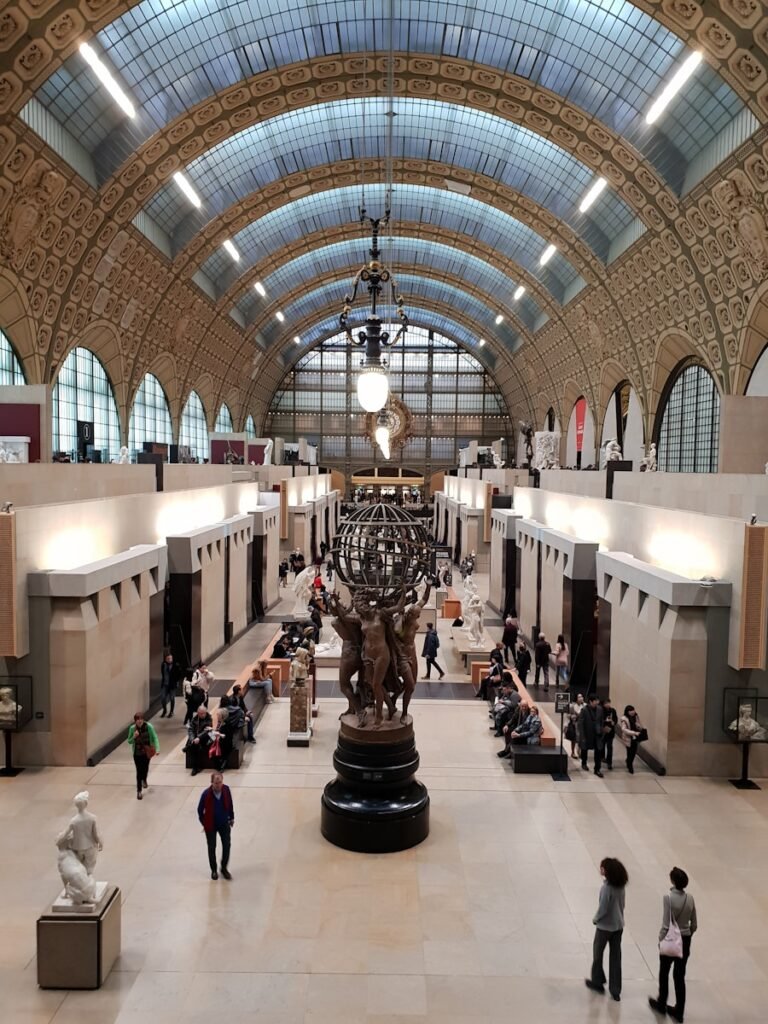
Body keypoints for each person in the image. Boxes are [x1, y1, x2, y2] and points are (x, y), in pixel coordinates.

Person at [649, 867, 698, 1023]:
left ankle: (661, 1003)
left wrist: (660, 940)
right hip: (685, 940)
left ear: (673, 881)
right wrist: (686, 933)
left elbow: (666, 924)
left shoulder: (668, 898)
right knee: (679, 975)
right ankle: (679, 1010)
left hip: (670, 940)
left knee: (664, 972)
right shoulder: (690, 898)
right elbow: (694, 924)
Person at [585, 857, 628, 1002]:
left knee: (598, 954)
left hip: (604, 927)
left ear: (607, 871)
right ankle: (615, 990)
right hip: (618, 926)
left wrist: (595, 918)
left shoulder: (606, 888)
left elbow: (603, 908)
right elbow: (622, 905)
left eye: (602, 867)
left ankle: (597, 981)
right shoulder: (621, 887)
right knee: (616, 957)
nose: (600, 869)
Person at [197, 771, 234, 880]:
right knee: (212, 847)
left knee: (227, 845)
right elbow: (200, 810)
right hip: (211, 825)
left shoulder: (226, 790)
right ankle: (213, 870)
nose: (218, 785)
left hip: (224, 823)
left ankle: (224, 868)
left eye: (220, 782)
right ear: (211, 783)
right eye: (216, 783)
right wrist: (204, 823)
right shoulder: (206, 794)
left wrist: (231, 817)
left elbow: (230, 804)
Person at [127, 712, 159, 799]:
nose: (139, 721)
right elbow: (129, 741)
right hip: (137, 753)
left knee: (145, 768)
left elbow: (155, 737)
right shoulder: (132, 729)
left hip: (147, 752)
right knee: (139, 771)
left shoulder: (149, 727)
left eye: (141, 719)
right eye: (137, 720)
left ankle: (144, 779)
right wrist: (134, 736)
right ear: (135, 721)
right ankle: (139, 791)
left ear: (143, 719)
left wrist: (157, 749)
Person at [578, 694, 604, 776]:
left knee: (598, 752)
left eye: (597, 701)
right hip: (587, 734)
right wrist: (582, 736)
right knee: (585, 749)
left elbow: (601, 721)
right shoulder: (584, 710)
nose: (597, 702)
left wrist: (601, 730)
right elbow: (580, 724)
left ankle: (597, 769)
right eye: (595, 701)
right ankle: (584, 763)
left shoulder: (600, 709)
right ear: (590, 701)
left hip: (597, 734)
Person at [187, 704, 213, 776]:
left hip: (205, 737)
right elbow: (190, 729)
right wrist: (192, 738)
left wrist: (199, 737)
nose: (202, 715)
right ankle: (195, 767)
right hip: (196, 738)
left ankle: (195, 767)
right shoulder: (194, 719)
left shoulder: (209, 718)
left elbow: (207, 730)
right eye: (200, 714)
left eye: (203, 713)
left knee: (196, 745)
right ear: (198, 713)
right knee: (194, 745)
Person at [619, 704, 643, 773]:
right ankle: (630, 766)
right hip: (628, 738)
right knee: (630, 752)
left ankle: (629, 762)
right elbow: (624, 729)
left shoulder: (636, 716)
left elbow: (639, 724)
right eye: (630, 711)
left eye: (633, 710)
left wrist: (639, 727)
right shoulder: (624, 719)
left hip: (635, 738)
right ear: (627, 712)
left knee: (634, 752)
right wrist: (633, 733)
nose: (632, 712)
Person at [160, 652, 182, 718]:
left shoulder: (176, 665)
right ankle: (164, 710)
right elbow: (163, 673)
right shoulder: (163, 665)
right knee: (163, 698)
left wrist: (176, 681)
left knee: (172, 698)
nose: (169, 660)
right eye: (168, 658)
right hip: (165, 684)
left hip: (172, 685)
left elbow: (179, 674)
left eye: (170, 658)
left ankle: (171, 711)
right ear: (165, 659)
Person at [566, 693, 585, 759]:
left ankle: (579, 751)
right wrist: (571, 717)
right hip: (574, 724)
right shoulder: (572, 706)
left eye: (582, 696)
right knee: (573, 739)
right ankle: (573, 752)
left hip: (582, 725)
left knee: (581, 738)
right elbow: (568, 715)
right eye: (579, 697)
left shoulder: (585, 706)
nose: (581, 698)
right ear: (576, 699)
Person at [601, 698, 618, 770]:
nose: (608, 704)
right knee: (602, 745)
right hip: (603, 730)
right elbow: (599, 720)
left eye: (608, 703)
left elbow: (616, 719)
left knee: (609, 747)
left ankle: (609, 762)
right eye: (606, 703)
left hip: (610, 731)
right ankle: (602, 757)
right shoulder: (601, 710)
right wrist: (605, 720)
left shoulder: (613, 710)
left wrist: (613, 722)